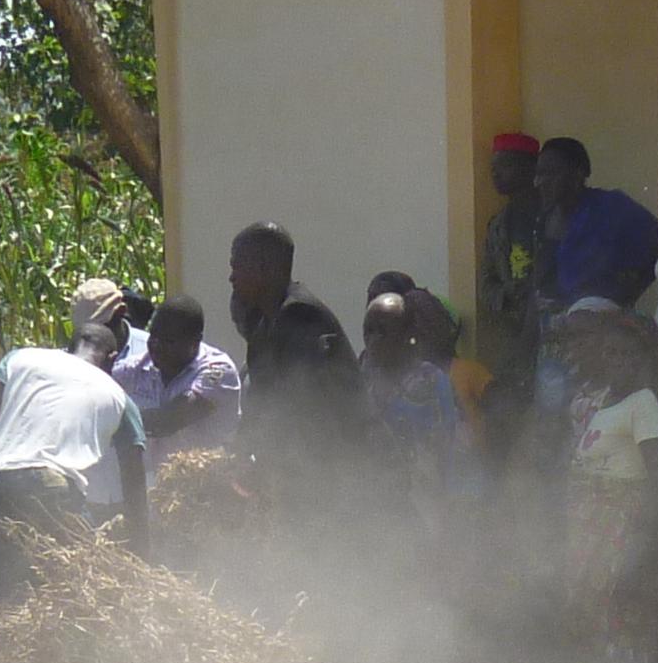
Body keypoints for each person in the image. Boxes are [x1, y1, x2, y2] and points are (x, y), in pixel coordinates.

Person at [0, 320, 149, 610]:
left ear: (68, 345)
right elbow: (135, 482)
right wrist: (141, 557)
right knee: (78, 589)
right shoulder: (119, 397)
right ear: (113, 359)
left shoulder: (19, 359)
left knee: (8, 592)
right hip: (50, 487)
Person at [554, 301, 658, 659]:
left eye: (626, 353)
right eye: (610, 352)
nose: (617, 360)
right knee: (586, 599)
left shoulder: (644, 404)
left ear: (644, 358)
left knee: (610, 598)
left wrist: (646, 530)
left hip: (617, 523)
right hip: (589, 523)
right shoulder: (606, 402)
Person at [227, 225, 359, 497]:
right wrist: (239, 455)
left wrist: (267, 466)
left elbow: (303, 407)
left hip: (332, 476)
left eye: (237, 266)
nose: (232, 277)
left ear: (263, 267)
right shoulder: (265, 322)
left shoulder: (301, 316)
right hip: (295, 475)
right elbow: (261, 402)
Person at [476, 131, 553, 442]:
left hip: (552, 334)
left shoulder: (553, 216)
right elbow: (486, 283)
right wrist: (507, 294)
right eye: (493, 166)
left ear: (530, 169)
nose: (495, 173)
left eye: (505, 165)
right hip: (513, 334)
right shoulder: (497, 225)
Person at [362, 291, 465, 512]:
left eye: (383, 332)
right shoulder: (362, 380)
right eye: (368, 332)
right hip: (376, 498)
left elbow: (449, 438)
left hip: (424, 495)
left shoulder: (431, 381)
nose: (373, 341)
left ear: (409, 334)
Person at [534, 138, 658, 310]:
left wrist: (624, 296)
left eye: (551, 173)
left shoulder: (611, 207)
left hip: (598, 327)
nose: (540, 181)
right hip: (550, 328)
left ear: (579, 173)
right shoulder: (543, 219)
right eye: (539, 174)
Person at [113, 294, 243, 460]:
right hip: (150, 481)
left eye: (168, 341)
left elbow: (169, 420)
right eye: (153, 336)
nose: (156, 346)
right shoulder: (133, 369)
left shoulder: (219, 371)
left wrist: (118, 419)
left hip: (204, 479)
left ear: (195, 342)